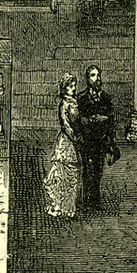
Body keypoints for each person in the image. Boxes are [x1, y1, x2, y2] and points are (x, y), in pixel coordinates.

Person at [77, 65, 119, 210]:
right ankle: (85, 200)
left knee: (97, 170)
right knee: (87, 170)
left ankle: (95, 200)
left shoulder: (105, 97)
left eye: (98, 75)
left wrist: (104, 121)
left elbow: (111, 119)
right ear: (88, 78)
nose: (97, 78)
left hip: (101, 139)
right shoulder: (81, 98)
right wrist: (87, 120)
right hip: (87, 139)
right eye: (93, 75)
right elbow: (78, 119)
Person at [43, 73, 83, 218]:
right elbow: (65, 125)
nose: (73, 88)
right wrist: (76, 138)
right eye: (70, 86)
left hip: (75, 140)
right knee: (64, 174)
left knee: (72, 176)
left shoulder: (74, 102)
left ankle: (69, 207)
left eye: (74, 86)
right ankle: (60, 206)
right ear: (64, 88)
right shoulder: (64, 104)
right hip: (67, 142)